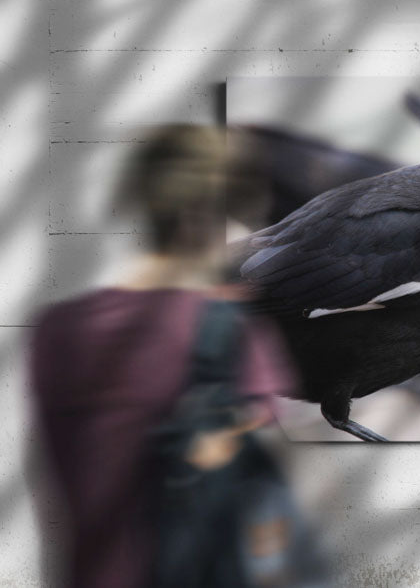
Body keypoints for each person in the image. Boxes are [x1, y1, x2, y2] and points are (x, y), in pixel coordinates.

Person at [30, 125, 296, 588]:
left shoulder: (56, 331)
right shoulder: (230, 336)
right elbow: (272, 523)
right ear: (216, 218)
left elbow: (55, 496)